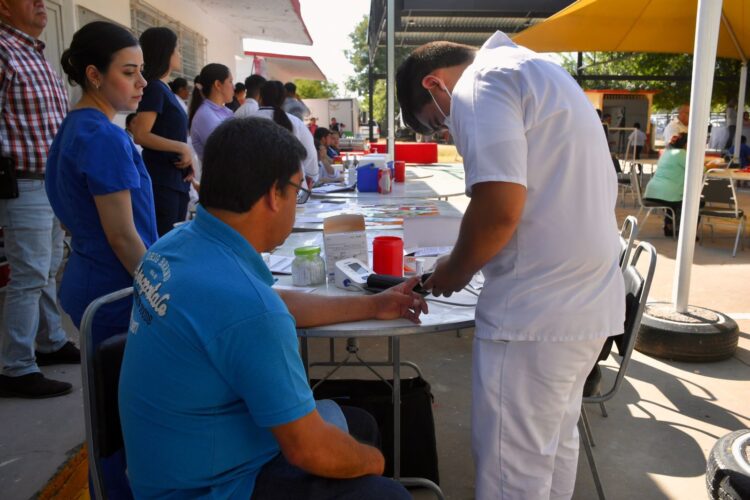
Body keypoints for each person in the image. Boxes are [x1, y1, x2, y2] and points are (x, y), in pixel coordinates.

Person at [119, 117, 421, 499]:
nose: (297, 202)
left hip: (168, 461)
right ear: (274, 196)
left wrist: (374, 305)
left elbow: (271, 304)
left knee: (359, 425)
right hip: (210, 487)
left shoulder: (176, 245)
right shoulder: (248, 308)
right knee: (386, 492)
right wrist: (376, 464)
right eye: (298, 191)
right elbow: (308, 449)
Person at [396, 33, 625, 499]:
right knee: (551, 450)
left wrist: (454, 270)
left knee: (512, 473)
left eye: (437, 123)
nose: (448, 132)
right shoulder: (543, 72)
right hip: (587, 303)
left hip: (534, 314)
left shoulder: (480, 85)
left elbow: (498, 208)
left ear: (434, 84)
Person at [0, 0, 79, 399]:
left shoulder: (34, 52)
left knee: (47, 269)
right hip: (23, 182)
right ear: (4, 6)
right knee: (29, 275)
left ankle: (50, 342)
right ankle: (16, 366)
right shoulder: (3, 51)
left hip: (47, 181)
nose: (41, 3)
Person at [130, 27, 192, 236]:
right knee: (164, 241)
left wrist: (186, 158)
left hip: (175, 179)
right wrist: (181, 147)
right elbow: (141, 134)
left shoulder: (165, 89)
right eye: (177, 49)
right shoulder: (154, 88)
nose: (180, 55)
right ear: (166, 52)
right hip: (162, 181)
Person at [252, 80, 318, 186]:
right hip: (292, 187)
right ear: (283, 99)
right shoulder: (296, 122)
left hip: (255, 187)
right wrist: (311, 178)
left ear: (260, 97)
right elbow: (310, 155)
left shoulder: (246, 121)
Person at [643, 133, 689, 237]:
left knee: (674, 196)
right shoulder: (682, 154)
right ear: (687, 144)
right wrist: (710, 166)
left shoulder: (666, 152)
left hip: (651, 193)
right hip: (666, 196)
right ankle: (686, 233)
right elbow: (697, 169)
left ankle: (669, 226)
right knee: (695, 202)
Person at [188, 63, 234, 161]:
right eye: (230, 82)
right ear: (218, 85)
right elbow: (228, 151)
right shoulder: (205, 115)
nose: (233, 87)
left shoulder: (225, 111)